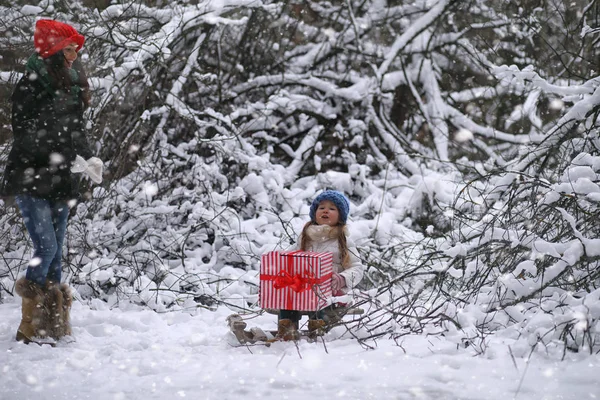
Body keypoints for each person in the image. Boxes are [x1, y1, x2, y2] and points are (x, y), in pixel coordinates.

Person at [0, 19, 103, 344]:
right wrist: (61, 152)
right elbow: (26, 134)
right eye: (69, 48)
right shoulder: (31, 84)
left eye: (76, 49)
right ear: (55, 50)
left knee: (57, 253)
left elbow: (75, 130)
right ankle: (28, 325)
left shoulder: (72, 84)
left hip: (61, 181)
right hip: (31, 178)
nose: (74, 55)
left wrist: (88, 159)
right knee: (45, 247)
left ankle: (53, 324)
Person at [276, 190, 365, 340]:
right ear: (315, 213)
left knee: (319, 297)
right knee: (288, 295)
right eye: (321, 207)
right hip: (304, 289)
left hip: (330, 292)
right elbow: (287, 257)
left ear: (340, 216)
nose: (325, 211)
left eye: (332, 208)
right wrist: (277, 263)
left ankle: (318, 327)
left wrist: (342, 279)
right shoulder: (305, 238)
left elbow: (357, 268)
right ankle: (287, 328)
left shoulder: (343, 241)